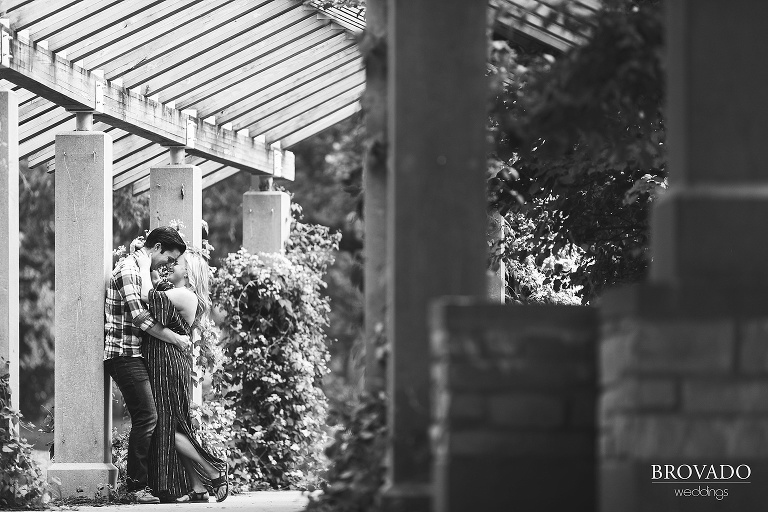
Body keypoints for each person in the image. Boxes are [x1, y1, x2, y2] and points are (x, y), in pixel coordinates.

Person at [136, 246, 229, 503]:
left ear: (188, 274)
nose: (171, 265)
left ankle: (213, 468)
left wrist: (145, 263)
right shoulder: (175, 293)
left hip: (167, 363)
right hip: (163, 360)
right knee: (173, 424)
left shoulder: (186, 296)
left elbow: (146, 295)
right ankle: (197, 486)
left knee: (166, 426)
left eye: (177, 264)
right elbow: (156, 293)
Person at [104, 227, 189, 504]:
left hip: (135, 354)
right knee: (148, 416)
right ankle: (135, 487)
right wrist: (175, 338)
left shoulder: (141, 270)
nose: (170, 265)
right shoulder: (128, 269)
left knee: (151, 416)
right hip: (123, 355)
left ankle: (150, 484)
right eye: (169, 259)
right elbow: (140, 317)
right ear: (157, 248)